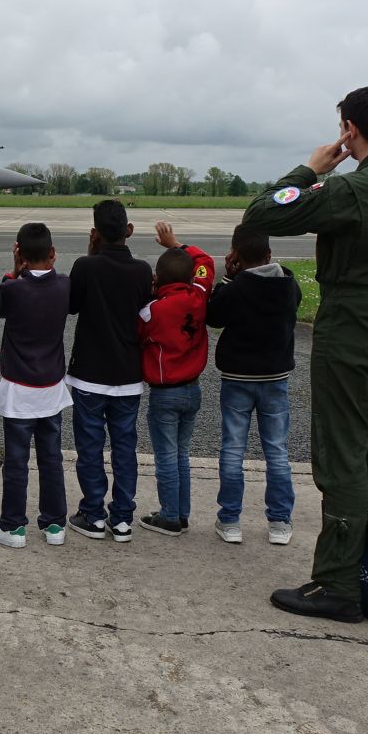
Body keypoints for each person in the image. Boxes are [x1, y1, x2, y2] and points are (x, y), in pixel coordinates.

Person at [243, 86, 368, 622]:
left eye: (345, 129)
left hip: (355, 326)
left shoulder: (352, 190)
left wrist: (309, 170)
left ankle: (339, 583)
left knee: (343, 452)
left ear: (350, 130)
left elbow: (261, 214)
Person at [65, 199, 154, 542]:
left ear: (95, 233)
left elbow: (72, 306)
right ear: (128, 230)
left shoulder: (85, 266)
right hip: (128, 374)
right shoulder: (142, 270)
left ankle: (93, 513)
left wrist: (91, 253)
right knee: (124, 447)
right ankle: (122, 518)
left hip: (90, 373)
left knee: (90, 447)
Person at [206, 224, 301, 546]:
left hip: (238, 377)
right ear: (269, 254)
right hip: (275, 378)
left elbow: (213, 316)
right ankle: (280, 521)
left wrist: (228, 278)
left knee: (233, 449)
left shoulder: (237, 288)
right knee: (276, 450)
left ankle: (230, 520)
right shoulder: (288, 284)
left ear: (234, 256)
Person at [0, 222, 71, 549]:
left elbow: (0, 302)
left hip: (19, 388)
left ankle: (13, 526)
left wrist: (14, 271)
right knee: (51, 458)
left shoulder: (12, 290)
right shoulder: (64, 286)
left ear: (19, 253)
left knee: (17, 462)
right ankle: (54, 524)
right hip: (51, 387)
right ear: (52, 254)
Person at [136, 222, 215, 537]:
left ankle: (170, 515)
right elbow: (205, 261)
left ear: (158, 279)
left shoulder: (152, 311)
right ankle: (181, 513)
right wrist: (176, 244)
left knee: (167, 456)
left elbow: (138, 335)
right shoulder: (199, 295)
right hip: (193, 389)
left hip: (165, 392)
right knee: (181, 454)